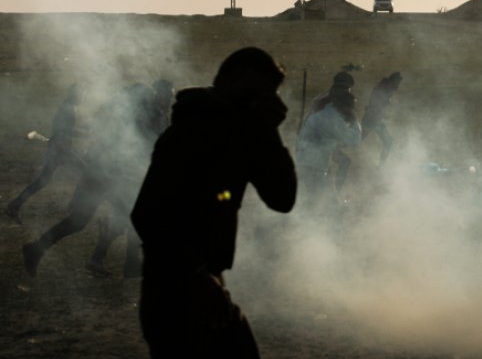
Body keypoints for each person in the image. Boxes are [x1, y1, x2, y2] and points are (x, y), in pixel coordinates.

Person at [130, 47, 296, 358]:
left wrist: (269, 132)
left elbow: (282, 199)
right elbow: (147, 214)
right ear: (236, 84)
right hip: (174, 288)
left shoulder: (242, 132)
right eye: (260, 92)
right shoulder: (189, 133)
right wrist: (196, 275)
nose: (266, 100)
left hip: (206, 285)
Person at [21, 83, 163, 278]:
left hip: (101, 174)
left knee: (87, 221)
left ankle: (37, 249)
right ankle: (120, 262)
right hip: (107, 175)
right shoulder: (129, 120)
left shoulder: (118, 116)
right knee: (118, 218)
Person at [5, 84, 85, 224]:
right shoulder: (67, 109)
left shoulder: (68, 107)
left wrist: (83, 134)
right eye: (81, 94)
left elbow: (66, 129)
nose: (83, 97)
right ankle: (77, 206)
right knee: (85, 172)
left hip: (59, 149)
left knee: (43, 180)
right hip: (60, 151)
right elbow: (62, 130)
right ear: (75, 94)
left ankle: (14, 205)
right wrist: (83, 136)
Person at [295, 86, 361, 220]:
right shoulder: (333, 119)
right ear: (343, 106)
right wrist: (354, 119)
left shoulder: (326, 113)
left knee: (315, 201)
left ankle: (284, 228)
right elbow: (354, 139)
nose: (352, 111)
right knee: (330, 204)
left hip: (310, 163)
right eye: (351, 108)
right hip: (313, 166)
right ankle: (333, 234)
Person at [361, 72, 403, 164]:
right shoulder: (385, 89)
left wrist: (382, 115)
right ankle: (382, 165)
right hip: (372, 119)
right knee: (356, 140)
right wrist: (382, 114)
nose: (398, 85)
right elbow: (376, 105)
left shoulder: (386, 88)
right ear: (393, 81)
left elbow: (377, 105)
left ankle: (382, 165)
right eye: (398, 82)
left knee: (388, 141)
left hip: (374, 119)